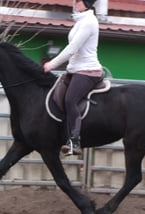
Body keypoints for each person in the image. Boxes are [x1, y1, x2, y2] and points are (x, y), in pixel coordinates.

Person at [43, 0, 103, 156]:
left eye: (78, 1)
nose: (75, 3)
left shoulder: (89, 22)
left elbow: (72, 49)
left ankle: (74, 141)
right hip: (75, 69)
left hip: (88, 71)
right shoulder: (80, 20)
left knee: (70, 100)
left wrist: (52, 64)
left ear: (86, 3)